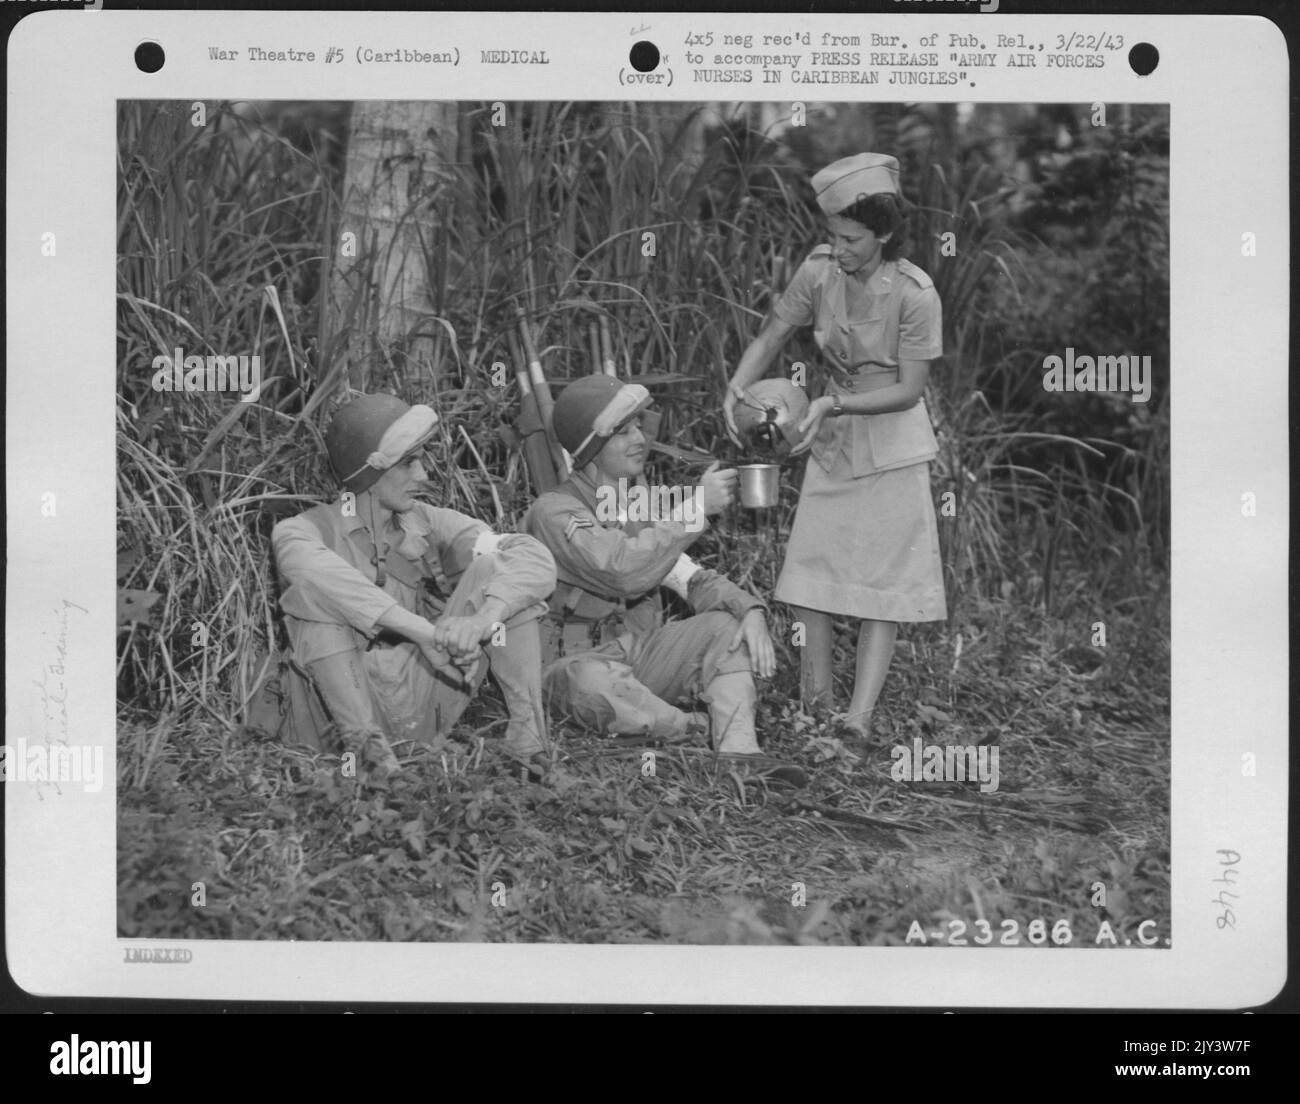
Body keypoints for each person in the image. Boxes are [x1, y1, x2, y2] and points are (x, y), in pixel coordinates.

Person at [724, 152, 947, 746]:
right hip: (831, 442)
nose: (839, 247)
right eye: (833, 235)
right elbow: (774, 332)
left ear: (886, 235)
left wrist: (832, 405)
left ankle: (859, 718)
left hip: (892, 444)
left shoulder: (916, 294)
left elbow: (910, 388)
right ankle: (814, 707)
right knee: (811, 572)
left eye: (851, 238)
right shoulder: (819, 272)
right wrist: (738, 387)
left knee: (883, 583)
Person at [524, 375, 807, 787]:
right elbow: (620, 570)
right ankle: (693, 728)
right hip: (573, 665)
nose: (639, 437)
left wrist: (747, 608)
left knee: (726, 629)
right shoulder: (555, 511)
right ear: (592, 447)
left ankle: (741, 753)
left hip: (639, 656)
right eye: (623, 431)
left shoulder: (632, 503)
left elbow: (686, 575)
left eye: (638, 425)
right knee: (587, 682)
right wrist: (695, 510)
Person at [268, 393, 558, 777]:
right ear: (369, 472)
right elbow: (304, 570)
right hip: (334, 722)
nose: (423, 475)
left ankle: (529, 747)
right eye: (408, 463)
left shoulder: (425, 522)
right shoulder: (302, 531)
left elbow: (531, 557)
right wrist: (422, 631)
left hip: (419, 697)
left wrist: (484, 620)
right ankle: (374, 766)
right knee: (315, 603)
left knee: (499, 572)